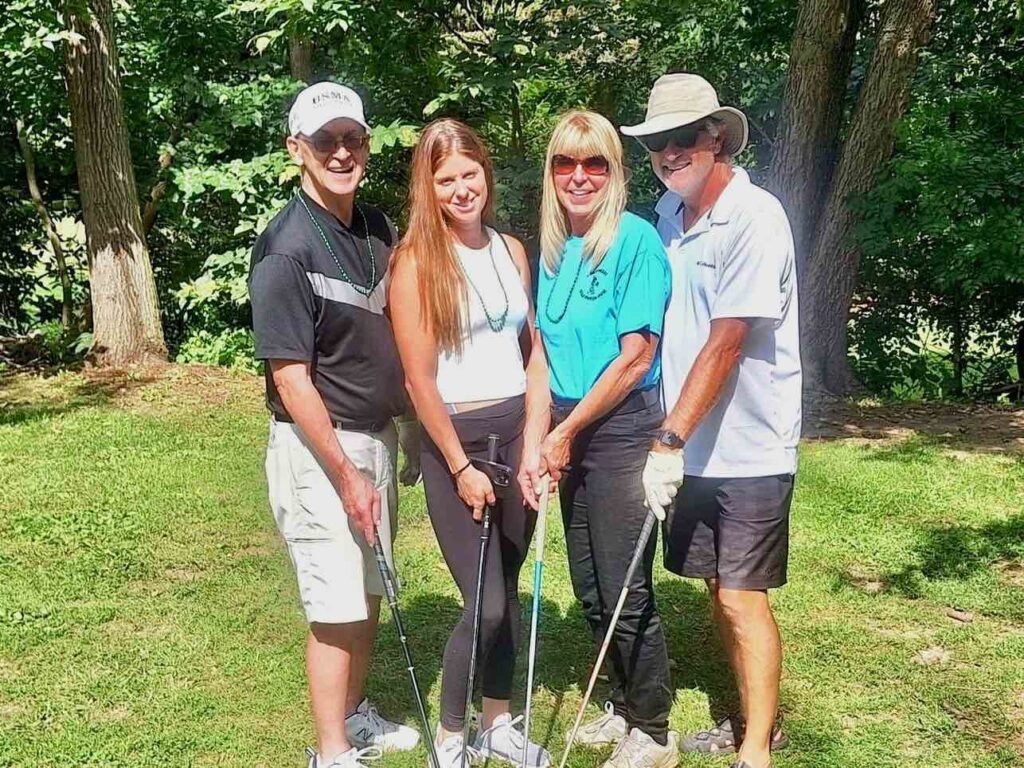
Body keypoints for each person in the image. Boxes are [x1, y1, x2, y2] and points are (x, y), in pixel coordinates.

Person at [623, 73, 801, 768]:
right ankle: (747, 720)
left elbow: (727, 339)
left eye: (683, 138)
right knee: (713, 588)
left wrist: (667, 437)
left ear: (716, 138)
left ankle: (756, 747)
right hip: (695, 447)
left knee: (739, 598)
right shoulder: (669, 217)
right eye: (657, 144)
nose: (669, 153)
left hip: (750, 444)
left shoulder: (757, 217)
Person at [248, 81, 420, 768]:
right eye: (325, 141)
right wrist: (346, 475)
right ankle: (330, 752)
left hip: (374, 437)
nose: (341, 152)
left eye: (352, 138)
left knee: (369, 588)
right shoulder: (285, 248)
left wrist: (404, 429)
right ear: (298, 151)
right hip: (321, 452)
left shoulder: (377, 228)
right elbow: (291, 379)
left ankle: (353, 716)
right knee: (336, 606)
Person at [388, 118, 551, 768]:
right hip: (457, 442)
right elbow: (417, 380)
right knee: (482, 604)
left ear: (486, 172)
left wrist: (536, 439)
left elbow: (532, 351)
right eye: (446, 179)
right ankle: (451, 741)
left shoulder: (512, 250)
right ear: (428, 188)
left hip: (517, 435)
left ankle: (499, 724)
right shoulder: (415, 263)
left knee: (507, 593)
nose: (461, 189)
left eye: (470, 173)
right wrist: (458, 464)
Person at [520, 109, 677, 768]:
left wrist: (567, 431)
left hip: (618, 424)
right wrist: (541, 438)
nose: (578, 176)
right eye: (565, 163)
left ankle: (654, 730)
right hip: (567, 422)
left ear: (614, 172)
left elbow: (637, 355)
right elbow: (540, 351)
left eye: (594, 164)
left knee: (623, 583)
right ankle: (620, 703)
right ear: (551, 172)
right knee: (587, 582)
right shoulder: (553, 250)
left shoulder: (634, 240)